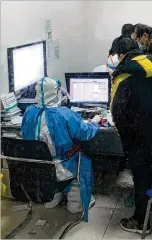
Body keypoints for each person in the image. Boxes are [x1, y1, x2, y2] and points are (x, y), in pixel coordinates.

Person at [111, 38, 152, 234]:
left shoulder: (123, 77)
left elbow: (117, 114)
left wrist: (128, 138)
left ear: (122, 55)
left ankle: (141, 221)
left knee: (142, 178)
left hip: (138, 138)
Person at [21, 77, 100, 216]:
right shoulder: (65, 114)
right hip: (64, 164)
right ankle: (75, 198)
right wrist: (95, 121)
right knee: (80, 161)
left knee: (51, 166)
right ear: (56, 93)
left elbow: (25, 134)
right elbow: (85, 133)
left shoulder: (28, 112)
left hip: (40, 166)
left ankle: (55, 194)